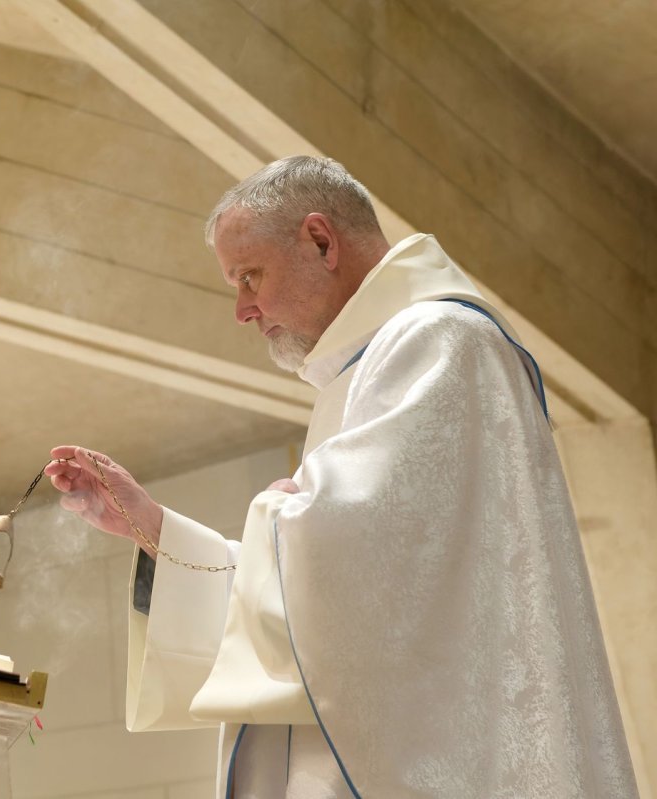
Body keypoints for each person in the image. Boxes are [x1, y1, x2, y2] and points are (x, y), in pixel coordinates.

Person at [44, 156, 638, 798]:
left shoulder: (438, 341)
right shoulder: (371, 366)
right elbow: (341, 583)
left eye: (250, 276)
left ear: (321, 241)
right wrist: (152, 527)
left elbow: (345, 565)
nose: (242, 310)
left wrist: (285, 512)